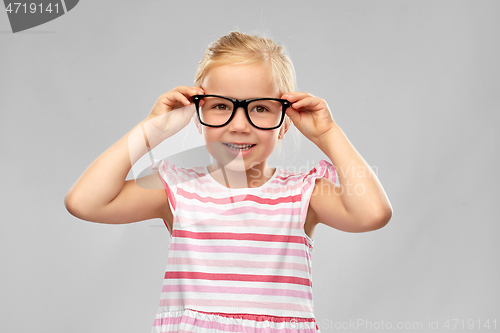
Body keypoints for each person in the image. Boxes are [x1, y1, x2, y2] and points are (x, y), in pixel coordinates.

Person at [65, 31, 392, 333]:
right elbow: (85, 201)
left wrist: (328, 134)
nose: (239, 126)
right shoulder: (177, 191)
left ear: (285, 122)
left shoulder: (303, 194)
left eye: (260, 108)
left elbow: (372, 213)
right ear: (198, 118)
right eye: (221, 106)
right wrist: (152, 129)